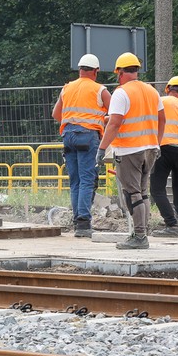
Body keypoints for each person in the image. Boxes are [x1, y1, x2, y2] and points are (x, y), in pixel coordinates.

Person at [95, 52, 165, 250]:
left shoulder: (121, 92)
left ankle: (140, 236)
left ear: (120, 72)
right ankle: (141, 232)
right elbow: (162, 120)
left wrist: (101, 149)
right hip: (150, 149)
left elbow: (115, 123)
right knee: (142, 193)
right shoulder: (152, 91)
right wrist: (157, 143)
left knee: (132, 193)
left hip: (129, 150)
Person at [51, 53, 112, 237]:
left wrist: (73, 122)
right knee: (87, 180)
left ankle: (78, 220)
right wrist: (100, 123)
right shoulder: (100, 90)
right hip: (88, 136)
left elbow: (56, 114)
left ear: (80, 70)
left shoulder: (67, 88)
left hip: (68, 135)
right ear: (96, 71)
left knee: (75, 180)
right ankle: (83, 224)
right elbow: (116, 114)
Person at [150, 76, 178, 237]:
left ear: (168, 89)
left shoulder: (161, 101)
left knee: (156, 188)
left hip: (165, 146)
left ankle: (171, 224)